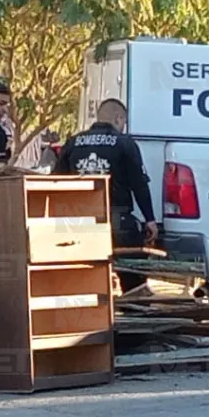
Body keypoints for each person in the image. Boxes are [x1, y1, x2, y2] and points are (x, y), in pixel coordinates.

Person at [54, 99, 158, 292]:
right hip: (117, 221)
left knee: (86, 280)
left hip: (79, 222)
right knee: (133, 277)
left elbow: (56, 182)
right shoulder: (125, 143)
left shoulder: (73, 142)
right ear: (118, 118)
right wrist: (150, 219)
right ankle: (133, 304)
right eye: (123, 122)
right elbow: (139, 185)